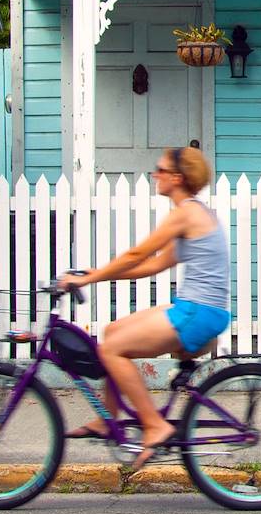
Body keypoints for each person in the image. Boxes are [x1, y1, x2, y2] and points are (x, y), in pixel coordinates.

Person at [57, 146, 230, 471]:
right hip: (198, 309)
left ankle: (154, 425)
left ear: (177, 178)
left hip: (198, 313)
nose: (155, 174)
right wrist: (94, 275)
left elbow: (137, 255)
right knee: (113, 333)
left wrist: (84, 281)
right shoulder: (194, 213)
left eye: (160, 169)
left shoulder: (186, 213)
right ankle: (106, 418)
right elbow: (152, 265)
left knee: (111, 350)